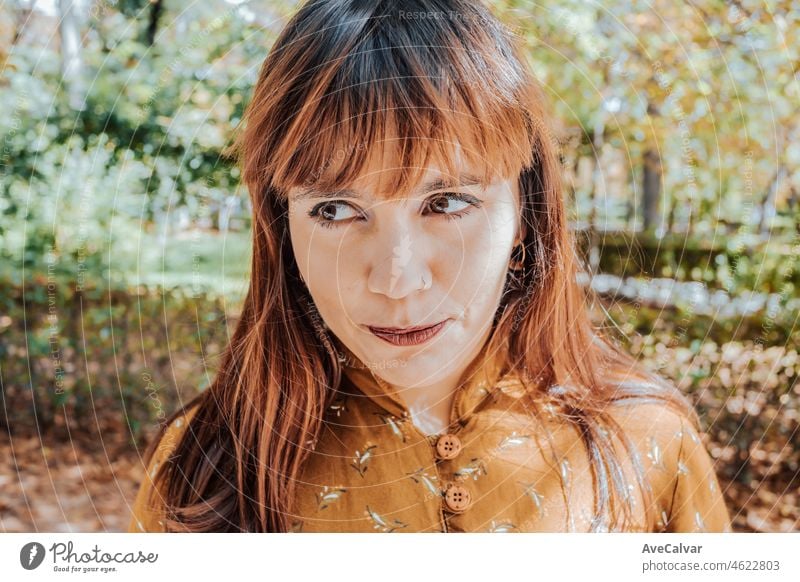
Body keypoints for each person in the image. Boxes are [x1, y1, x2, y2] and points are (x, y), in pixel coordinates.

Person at [128, 0, 732, 533]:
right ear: (282, 228)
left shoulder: (648, 444)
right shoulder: (204, 466)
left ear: (525, 210)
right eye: (336, 210)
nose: (397, 279)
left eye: (446, 204)